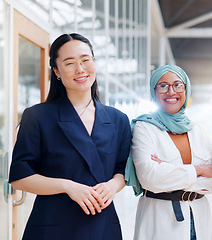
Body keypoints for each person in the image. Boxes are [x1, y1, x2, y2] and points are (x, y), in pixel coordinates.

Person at [9, 33, 131, 240]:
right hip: (53, 227)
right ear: (56, 71)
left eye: (86, 60)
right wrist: (68, 187)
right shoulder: (37, 116)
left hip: (103, 225)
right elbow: (20, 177)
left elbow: (123, 169)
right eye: (69, 63)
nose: (80, 69)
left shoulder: (118, 119)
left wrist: (112, 186)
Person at [127, 64, 212, 240]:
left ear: (186, 89)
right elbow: (149, 177)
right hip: (160, 218)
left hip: (197, 216)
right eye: (163, 86)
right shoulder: (144, 127)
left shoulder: (198, 130)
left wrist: (167, 171)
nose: (171, 91)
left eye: (177, 85)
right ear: (153, 91)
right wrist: (200, 170)